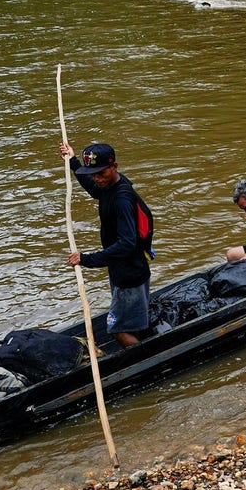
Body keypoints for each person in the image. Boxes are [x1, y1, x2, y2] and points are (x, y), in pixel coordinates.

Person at [59, 142, 153, 348]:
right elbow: (94, 188)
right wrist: (74, 162)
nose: (97, 178)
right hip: (124, 268)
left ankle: (143, 360)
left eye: (101, 173)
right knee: (131, 322)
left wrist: (87, 259)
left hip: (130, 274)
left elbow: (127, 244)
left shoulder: (121, 199)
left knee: (117, 330)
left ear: (114, 167)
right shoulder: (109, 186)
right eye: (93, 173)